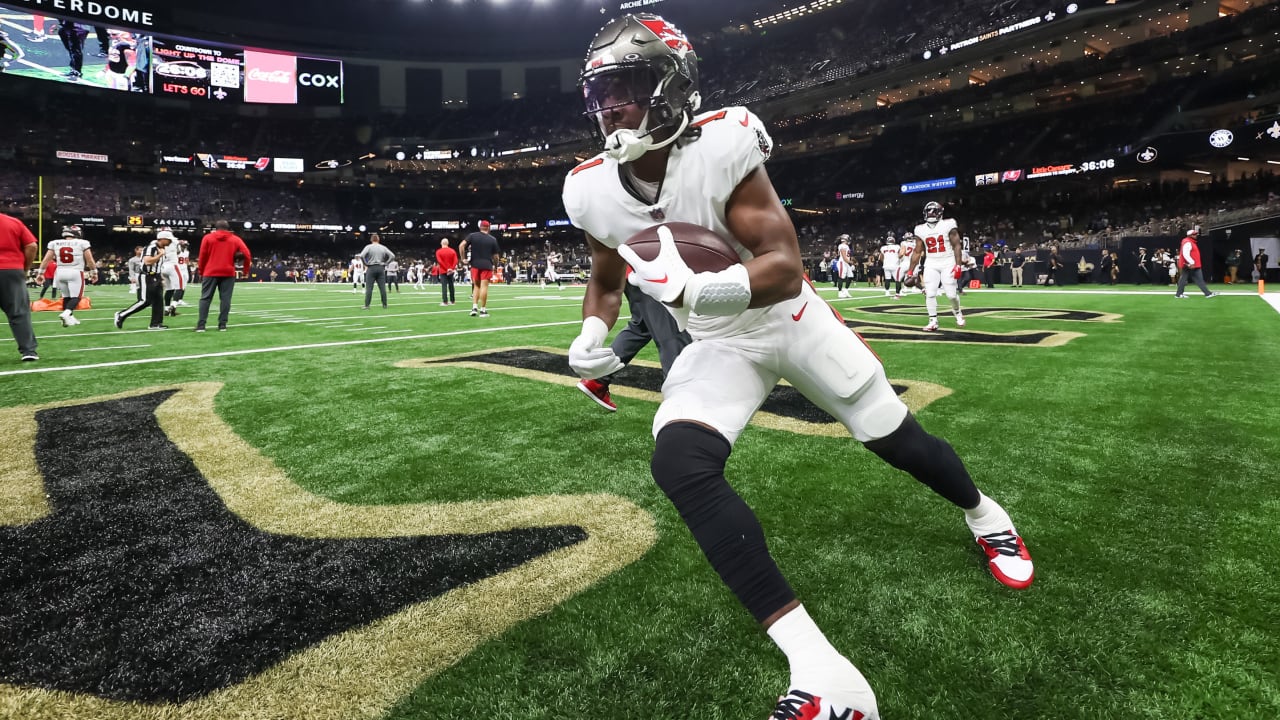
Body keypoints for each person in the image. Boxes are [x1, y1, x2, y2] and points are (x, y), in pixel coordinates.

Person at [562, 15, 1033, 719]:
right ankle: (822, 671)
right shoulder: (590, 188)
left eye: (626, 88)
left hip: (790, 321)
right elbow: (605, 275)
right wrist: (592, 331)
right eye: (601, 92)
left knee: (894, 438)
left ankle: (984, 513)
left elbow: (783, 268)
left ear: (671, 87)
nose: (611, 107)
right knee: (679, 462)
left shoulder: (721, 144)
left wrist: (699, 290)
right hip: (720, 345)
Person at [577, 280, 692, 412]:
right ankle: (681, 404)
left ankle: (598, 380)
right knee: (673, 331)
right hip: (653, 270)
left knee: (641, 326)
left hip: (632, 271)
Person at [905, 202, 966, 330]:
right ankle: (933, 321)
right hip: (931, 262)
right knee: (930, 293)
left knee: (951, 294)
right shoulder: (920, 229)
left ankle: (958, 312)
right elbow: (917, 251)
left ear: (940, 213)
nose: (931, 214)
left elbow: (957, 245)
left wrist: (958, 265)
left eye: (934, 211)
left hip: (948, 261)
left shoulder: (948, 224)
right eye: (929, 211)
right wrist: (910, 271)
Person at [194, 220, 251, 332]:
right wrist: (245, 271)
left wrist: (201, 271)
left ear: (216, 228)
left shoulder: (208, 238)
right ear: (228, 228)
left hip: (210, 271)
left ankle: (201, 325)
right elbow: (247, 254)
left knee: (205, 298)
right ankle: (222, 325)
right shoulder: (236, 239)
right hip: (228, 272)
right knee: (225, 299)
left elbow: (202, 256)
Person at [38, 225, 97, 327]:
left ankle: (69, 318)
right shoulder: (83, 243)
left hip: (60, 272)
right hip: (75, 272)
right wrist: (94, 272)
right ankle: (66, 313)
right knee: (77, 297)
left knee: (66, 297)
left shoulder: (54, 243)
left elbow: (46, 260)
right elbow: (90, 260)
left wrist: (40, 273)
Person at [0, 211, 39, 361]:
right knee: (19, 312)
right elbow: (32, 246)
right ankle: (29, 351)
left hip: (11, 268)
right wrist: (24, 268)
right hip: (11, 270)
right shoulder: (13, 222)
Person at [115, 232, 171, 330]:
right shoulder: (151, 247)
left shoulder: (161, 248)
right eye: (168, 239)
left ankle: (155, 324)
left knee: (158, 301)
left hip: (156, 276)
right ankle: (121, 314)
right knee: (144, 301)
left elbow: (157, 265)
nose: (170, 241)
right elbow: (147, 261)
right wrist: (160, 255)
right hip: (147, 276)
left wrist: (161, 277)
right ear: (162, 239)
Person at [459, 220, 500, 317]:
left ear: (480, 227)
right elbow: (496, 257)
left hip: (474, 264)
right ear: (488, 228)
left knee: (476, 286)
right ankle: (483, 310)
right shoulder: (492, 239)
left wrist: (463, 258)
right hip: (486, 265)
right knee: (484, 286)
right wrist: (496, 266)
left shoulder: (472, 236)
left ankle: (474, 308)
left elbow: (461, 245)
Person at [1174, 227, 1218, 299]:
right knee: (1198, 279)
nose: (1196, 235)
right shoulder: (1188, 242)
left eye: (1196, 234)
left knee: (1184, 279)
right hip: (1191, 264)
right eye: (1194, 234)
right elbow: (1185, 253)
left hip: (1189, 264)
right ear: (1189, 236)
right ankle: (1208, 293)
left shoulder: (1188, 241)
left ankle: (1179, 294)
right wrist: (1191, 262)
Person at [359, 233, 395, 309]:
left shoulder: (368, 247)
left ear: (371, 239)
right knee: (382, 288)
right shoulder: (383, 247)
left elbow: (362, 255)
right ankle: (385, 305)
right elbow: (392, 256)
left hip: (371, 268)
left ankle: (367, 305)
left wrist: (365, 263)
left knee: (369, 288)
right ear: (378, 239)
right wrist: (386, 263)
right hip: (381, 268)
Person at [158, 230, 187, 316]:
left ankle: (166, 309)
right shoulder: (174, 242)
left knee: (169, 289)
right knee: (180, 287)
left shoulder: (155, 243)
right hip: (172, 265)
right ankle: (173, 306)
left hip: (163, 266)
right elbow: (178, 251)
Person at [435, 238, 458, 306]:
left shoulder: (438, 251)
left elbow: (440, 261)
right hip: (451, 271)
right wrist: (451, 268)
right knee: (451, 285)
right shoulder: (452, 251)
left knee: (444, 286)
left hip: (443, 270)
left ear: (441, 243)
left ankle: (445, 301)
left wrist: (446, 268)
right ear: (448, 243)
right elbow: (456, 260)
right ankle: (452, 301)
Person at [877, 233, 899, 298]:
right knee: (897, 279)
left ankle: (887, 292)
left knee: (887, 279)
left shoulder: (883, 248)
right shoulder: (897, 247)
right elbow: (900, 254)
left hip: (886, 265)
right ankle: (898, 293)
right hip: (895, 265)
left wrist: (884, 262)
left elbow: (880, 257)